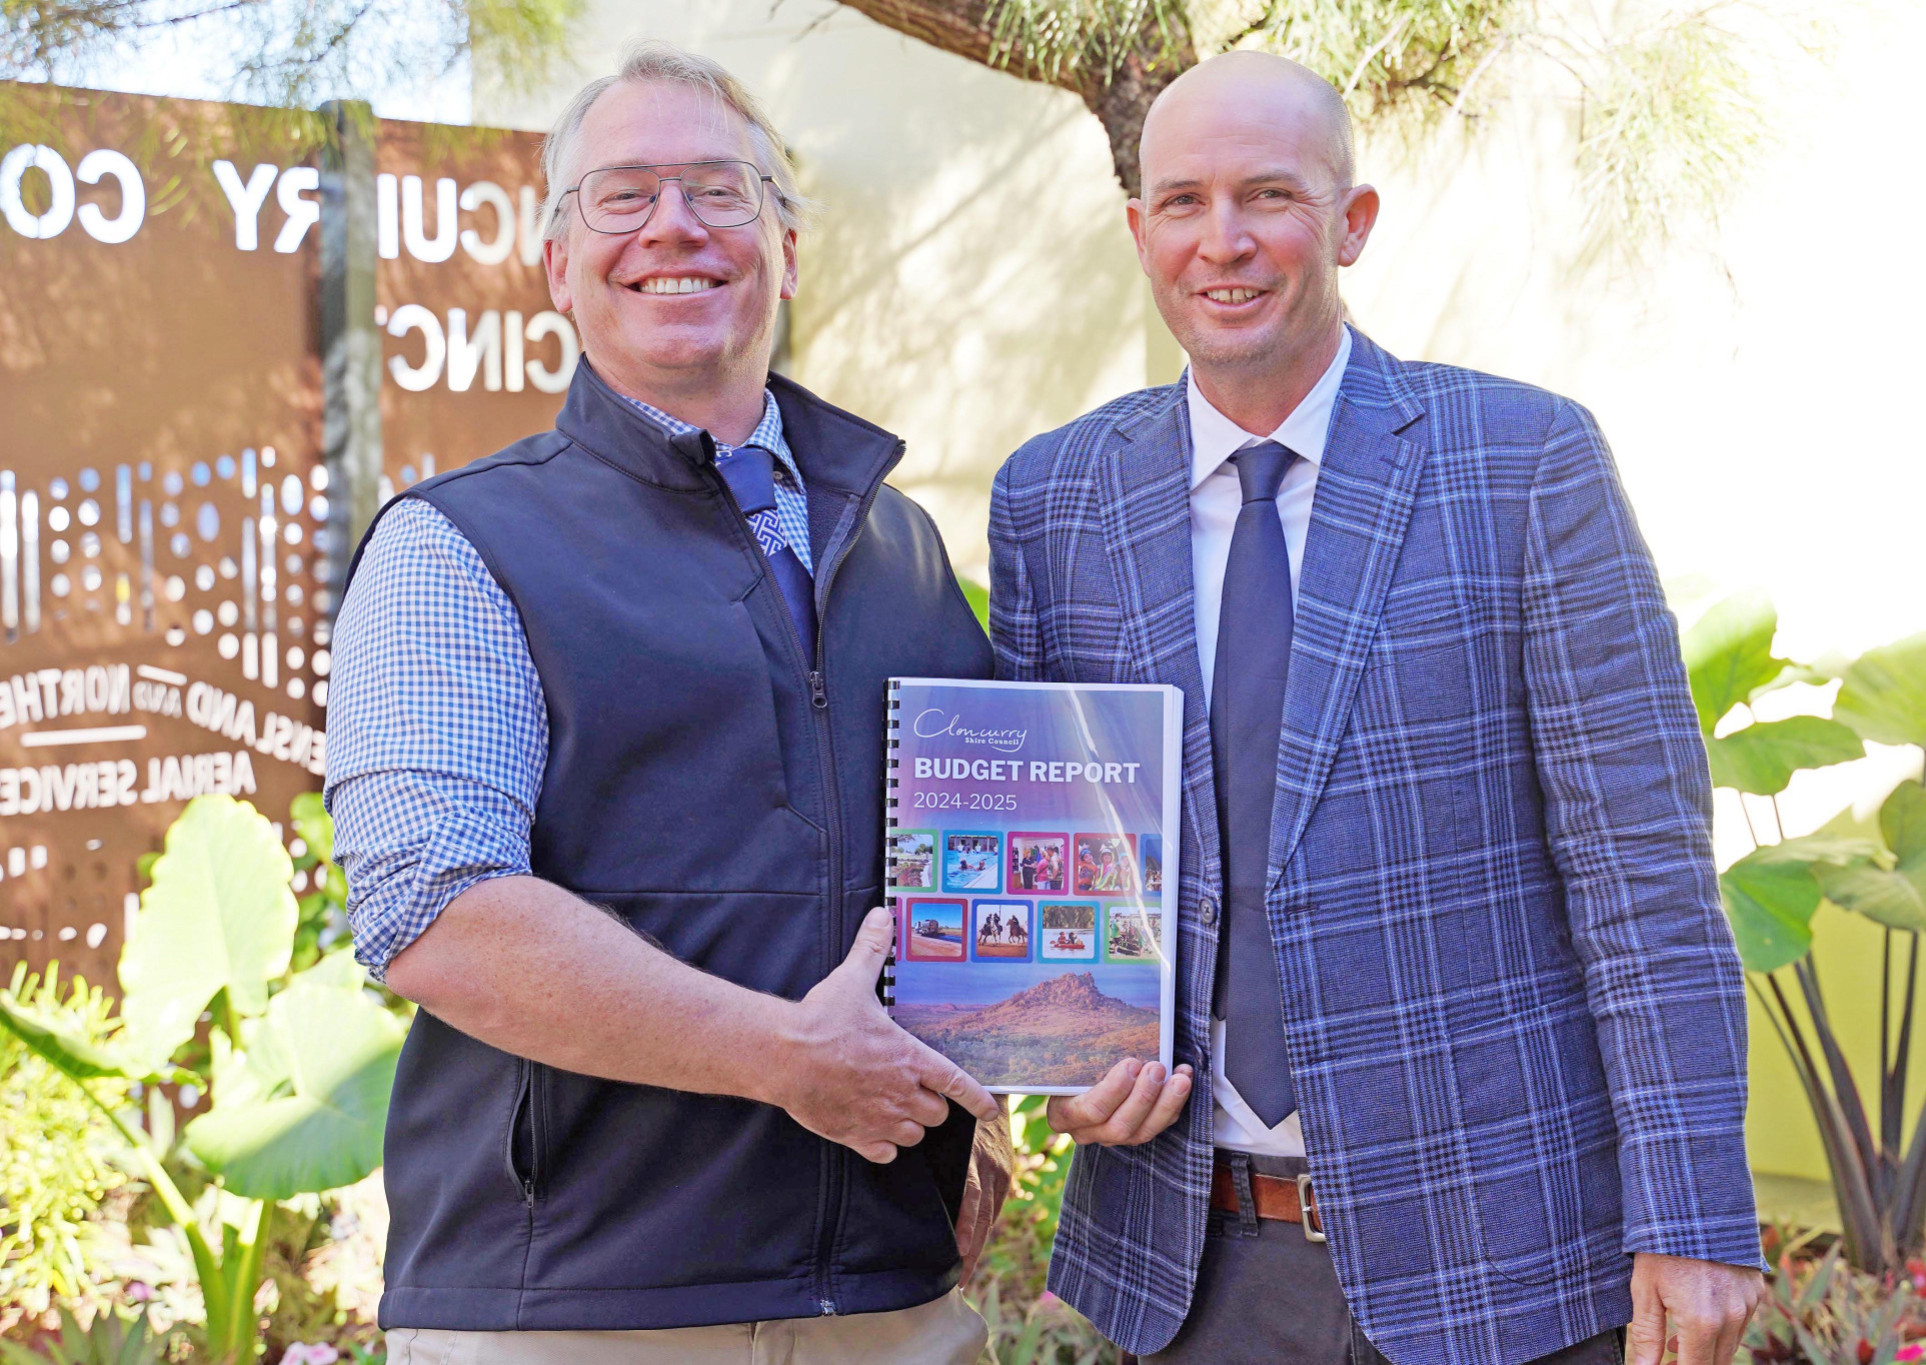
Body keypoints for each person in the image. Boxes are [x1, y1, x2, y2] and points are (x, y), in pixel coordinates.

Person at [988, 50, 1765, 1365]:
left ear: (1351, 224)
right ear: (1138, 232)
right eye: (1181, 203)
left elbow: (1644, 878)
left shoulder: (1523, 467)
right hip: (1199, 1270)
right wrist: (1056, 1051)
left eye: (1269, 196)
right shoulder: (1053, 500)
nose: (1221, 241)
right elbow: (1041, 844)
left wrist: (1695, 1213)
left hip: (1509, 1265)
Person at [325, 42, 1004, 1365]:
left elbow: (983, 875)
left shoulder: (902, 545)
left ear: (789, 249)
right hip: (577, 1307)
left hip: (888, 1298)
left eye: (720, 190)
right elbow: (433, 912)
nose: (676, 227)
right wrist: (787, 1055)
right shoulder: (457, 548)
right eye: (622, 197)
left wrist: (1039, 1071)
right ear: (557, 265)